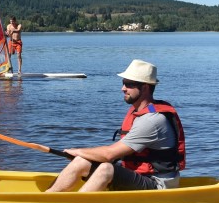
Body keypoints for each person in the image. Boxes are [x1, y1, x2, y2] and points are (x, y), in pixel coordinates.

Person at [45, 59, 185, 193]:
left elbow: (109, 155)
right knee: (81, 161)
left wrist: (76, 151)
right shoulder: (138, 113)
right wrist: (81, 155)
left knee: (105, 168)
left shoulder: (152, 120)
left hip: (157, 184)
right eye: (123, 83)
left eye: (129, 84)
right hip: (139, 176)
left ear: (145, 87)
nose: (123, 88)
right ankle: (48, 198)